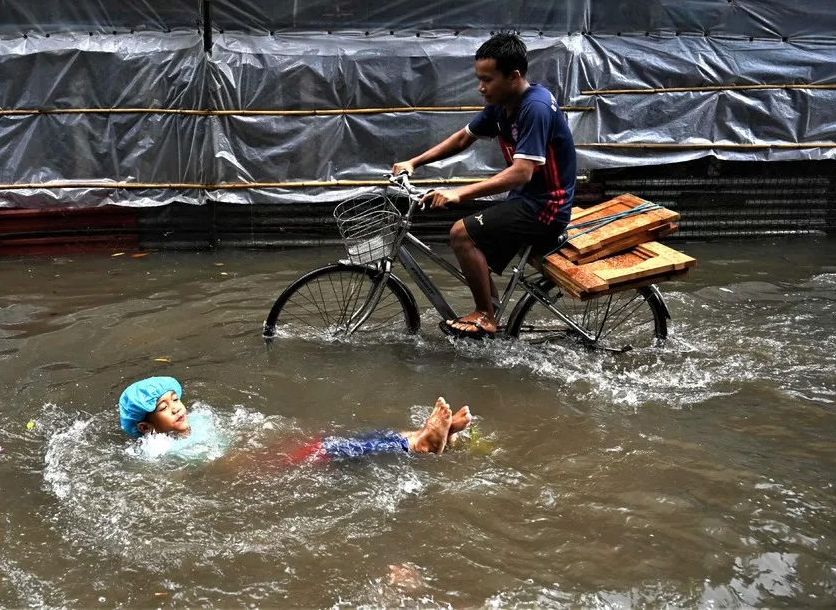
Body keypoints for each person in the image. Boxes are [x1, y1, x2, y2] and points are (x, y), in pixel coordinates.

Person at [392, 33, 577, 339]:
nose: (481, 87)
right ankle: (489, 317)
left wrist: (459, 192)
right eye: (479, 79)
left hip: (546, 206)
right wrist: (415, 162)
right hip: (526, 201)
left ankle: (485, 316)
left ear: (514, 76)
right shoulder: (501, 104)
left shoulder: (535, 108)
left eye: (487, 80)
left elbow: (521, 173)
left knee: (461, 233)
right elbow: (464, 137)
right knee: (473, 243)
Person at [118, 376, 472, 462]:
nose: (177, 408)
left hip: (267, 452)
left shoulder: (202, 421)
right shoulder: (158, 450)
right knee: (331, 449)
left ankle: (426, 437)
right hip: (262, 466)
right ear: (146, 427)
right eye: (164, 408)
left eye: (175, 399)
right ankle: (423, 441)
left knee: (345, 438)